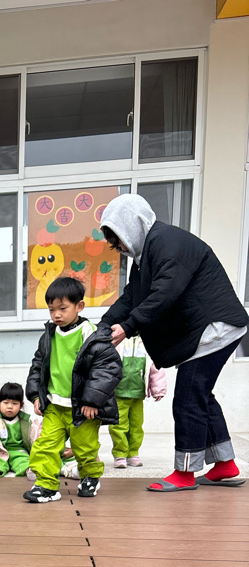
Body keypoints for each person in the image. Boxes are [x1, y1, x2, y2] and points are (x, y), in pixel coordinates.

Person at [100, 193, 248, 491]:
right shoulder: (145, 257)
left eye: (118, 239)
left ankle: (185, 472)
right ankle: (225, 464)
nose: (119, 248)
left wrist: (127, 328)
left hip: (213, 328)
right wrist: (102, 327)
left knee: (188, 399)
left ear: (133, 225)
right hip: (206, 330)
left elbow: (165, 293)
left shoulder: (167, 243)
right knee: (200, 396)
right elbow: (131, 298)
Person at [24, 276, 122, 503]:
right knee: (46, 445)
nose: (56, 315)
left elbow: (107, 369)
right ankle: (46, 485)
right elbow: (38, 365)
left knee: (84, 447)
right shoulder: (49, 335)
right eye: (51, 310)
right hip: (54, 405)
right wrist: (36, 395)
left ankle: (90, 477)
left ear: (79, 306)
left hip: (82, 408)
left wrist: (92, 400)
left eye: (62, 308)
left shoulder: (91, 334)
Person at [108, 334, 167, 469]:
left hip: (137, 394)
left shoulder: (149, 340)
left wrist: (158, 389)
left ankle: (133, 453)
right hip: (118, 393)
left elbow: (156, 365)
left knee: (136, 426)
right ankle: (120, 454)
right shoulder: (118, 338)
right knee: (118, 426)